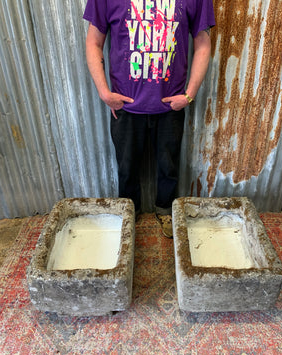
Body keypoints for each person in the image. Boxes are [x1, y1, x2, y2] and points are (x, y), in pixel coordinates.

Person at [83, 0, 215, 238]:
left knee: (169, 167)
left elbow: (203, 44)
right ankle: (128, 211)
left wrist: (189, 95)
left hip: (170, 107)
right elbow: (94, 42)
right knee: (126, 168)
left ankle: (165, 209)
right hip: (125, 106)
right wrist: (104, 92)